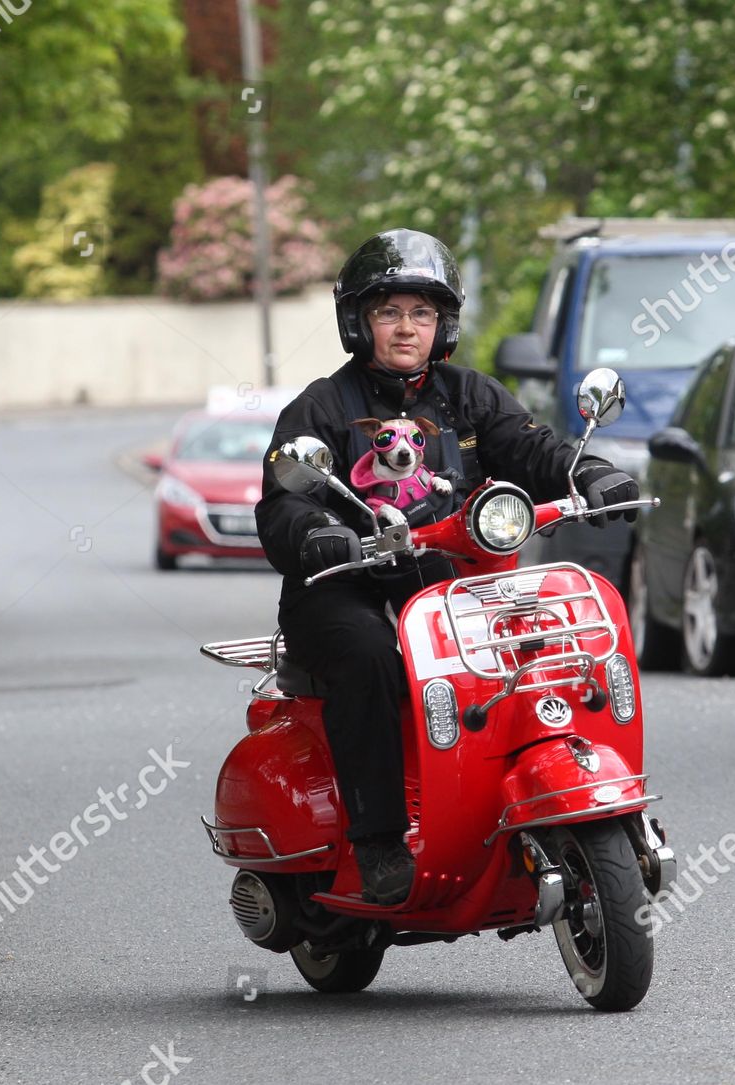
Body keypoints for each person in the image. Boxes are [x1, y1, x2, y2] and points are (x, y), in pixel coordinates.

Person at [255, 229, 638, 904]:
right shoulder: (322, 405)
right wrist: (316, 531)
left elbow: (536, 448)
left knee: (544, 640)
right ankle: (377, 841)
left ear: (443, 323)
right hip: (342, 588)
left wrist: (596, 474)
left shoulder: (470, 395)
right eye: (390, 312)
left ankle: (531, 791)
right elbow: (282, 500)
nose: (407, 327)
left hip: (449, 581)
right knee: (371, 653)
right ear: (359, 321)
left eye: (422, 313)